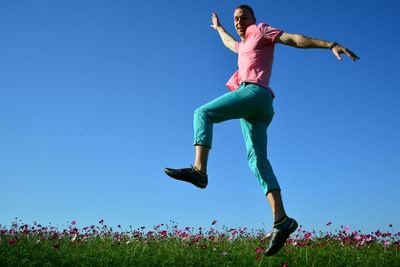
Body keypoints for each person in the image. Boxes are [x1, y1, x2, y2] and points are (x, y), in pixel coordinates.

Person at [164, 4, 359, 256]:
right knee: (257, 161)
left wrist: (330, 44)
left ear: (253, 18)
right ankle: (282, 220)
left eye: (243, 17)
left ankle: (199, 171)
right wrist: (219, 27)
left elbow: (296, 40)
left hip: (255, 93)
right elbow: (228, 43)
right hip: (256, 107)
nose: (238, 21)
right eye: (235, 19)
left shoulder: (261, 30)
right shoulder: (243, 44)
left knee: (202, 113)